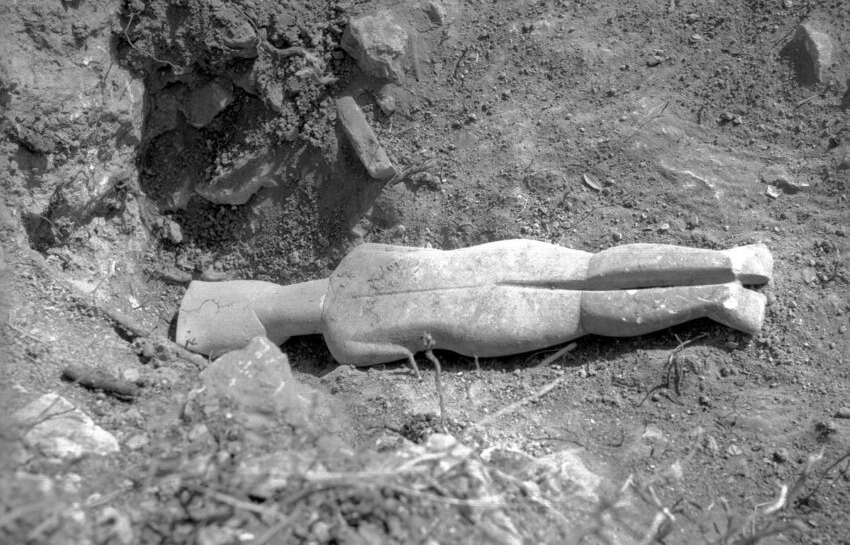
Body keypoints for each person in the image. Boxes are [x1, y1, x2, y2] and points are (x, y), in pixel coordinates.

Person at [177, 240, 772, 367]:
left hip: (477, 320)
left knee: (586, 307)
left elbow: (413, 348)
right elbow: (422, 251)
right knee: (590, 271)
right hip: (487, 265)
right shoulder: (358, 256)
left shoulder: (345, 346)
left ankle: (718, 295)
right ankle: (729, 263)